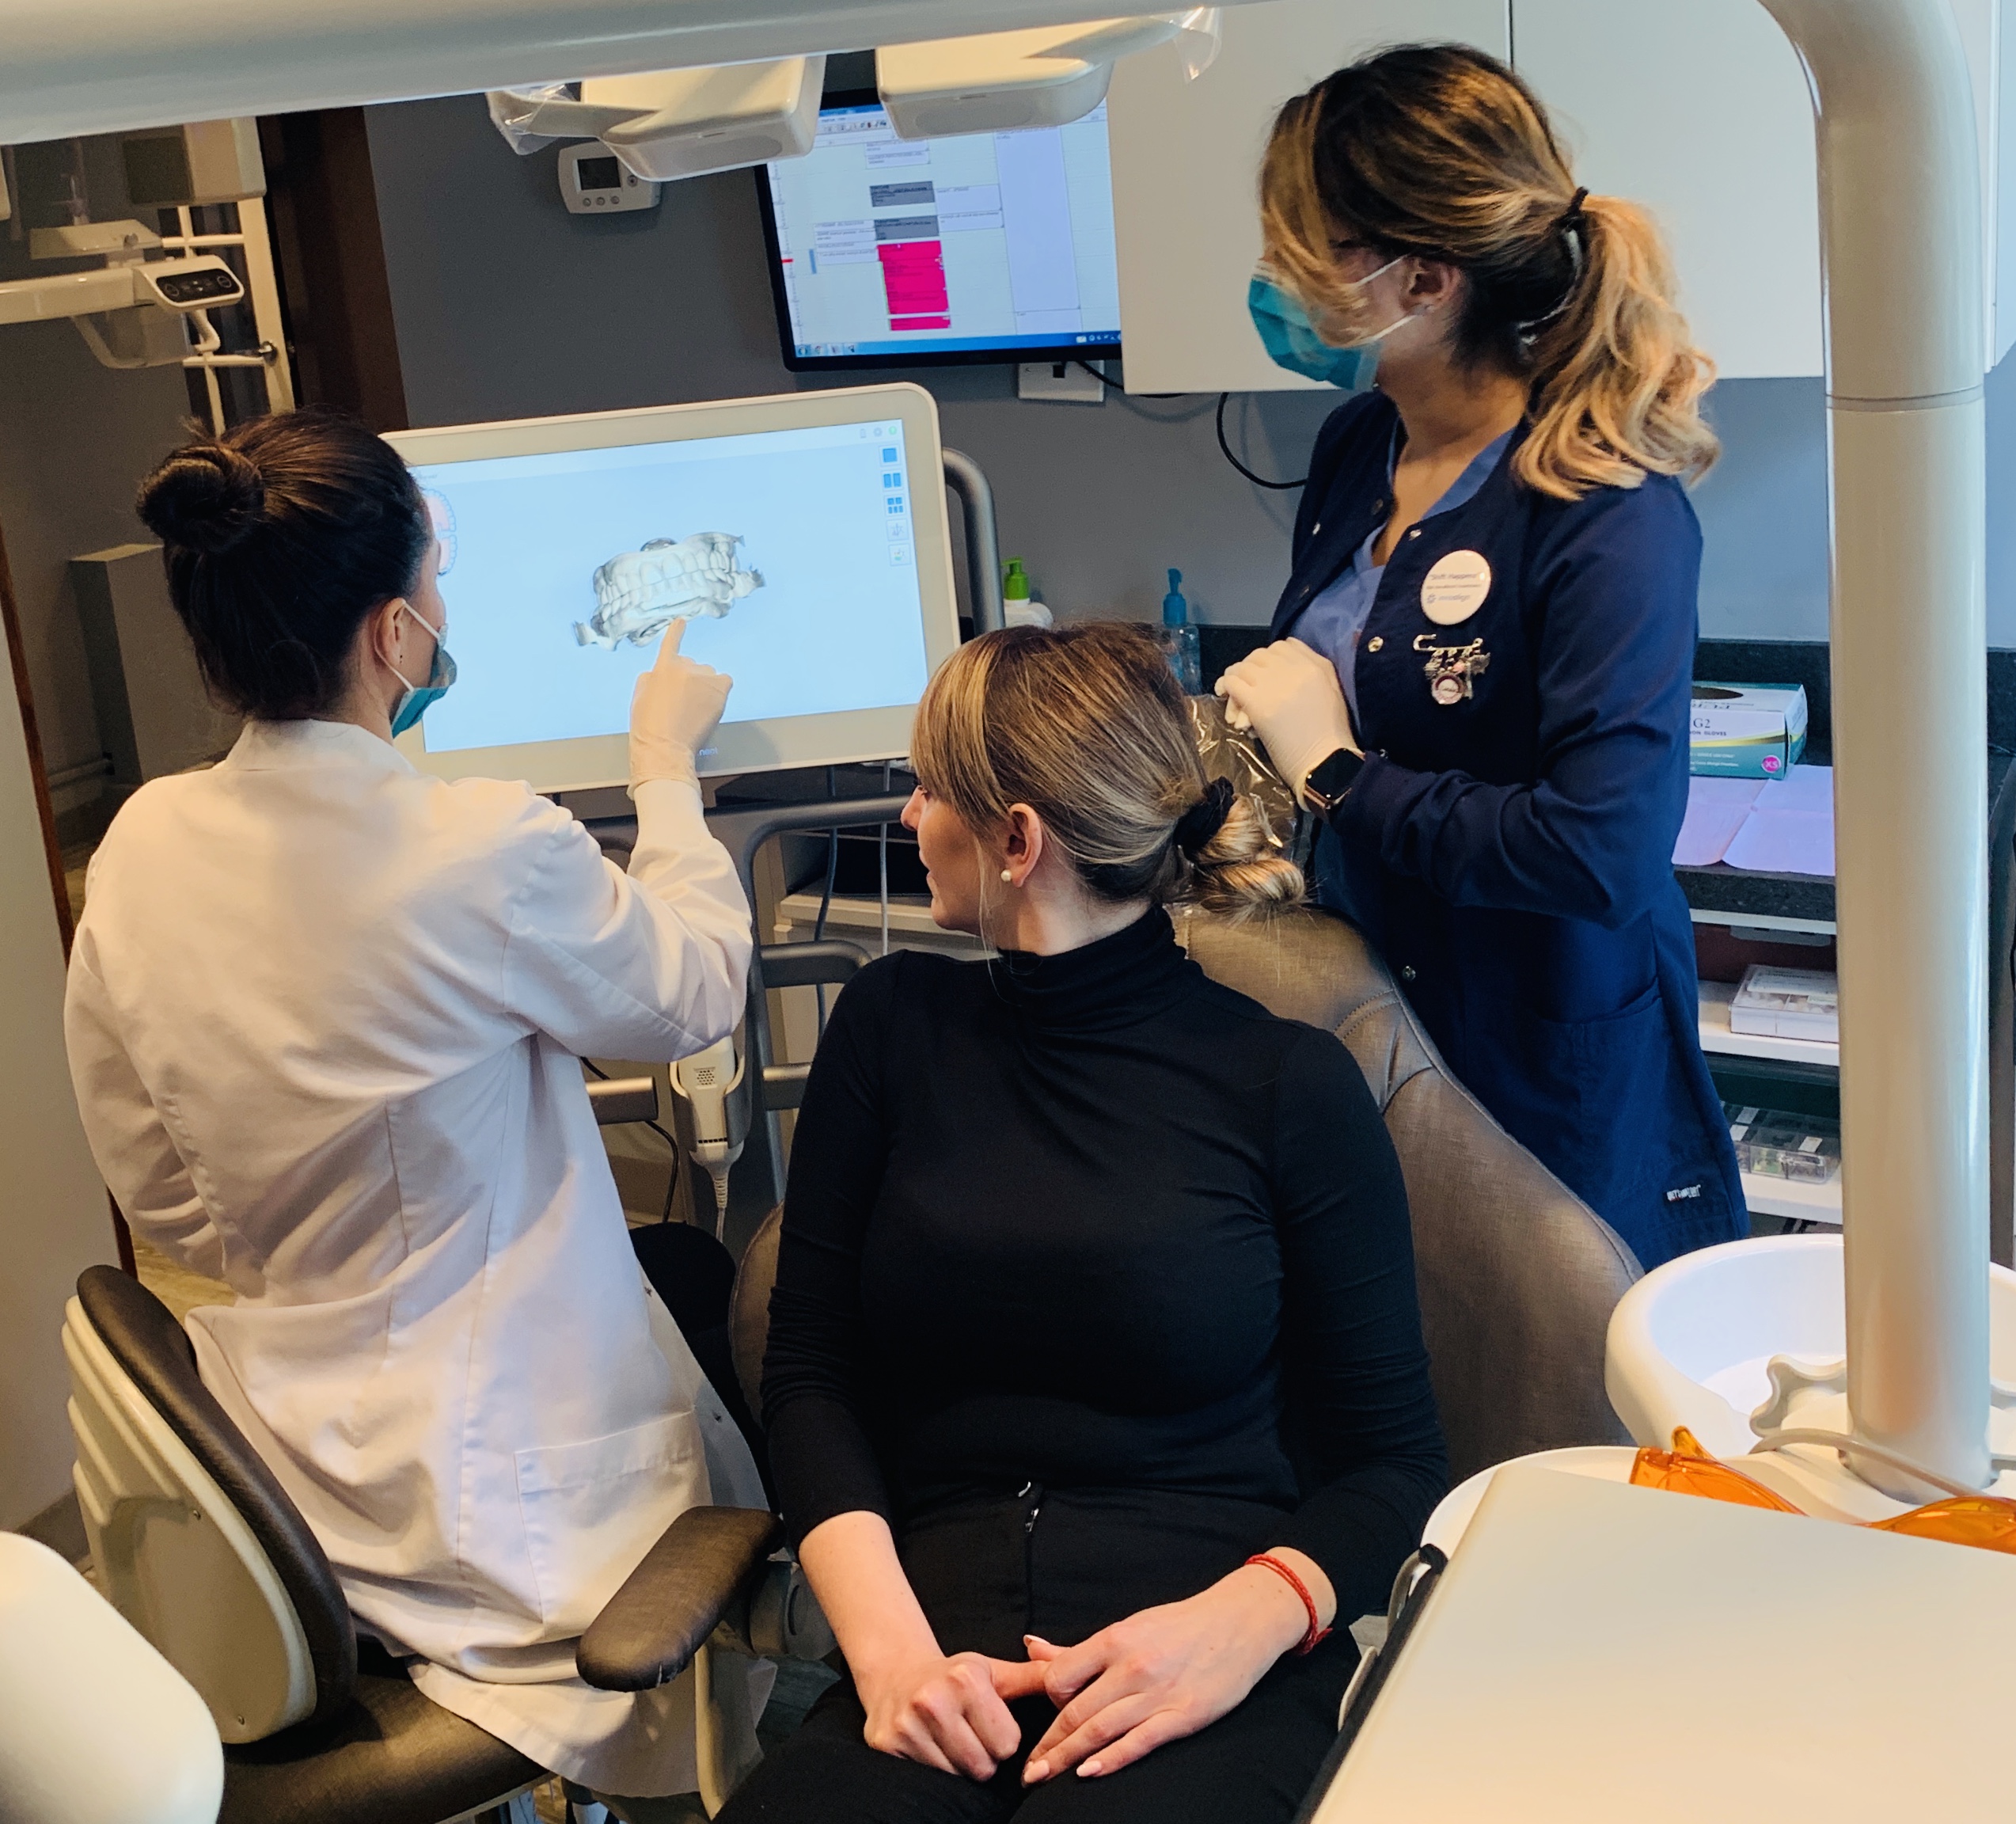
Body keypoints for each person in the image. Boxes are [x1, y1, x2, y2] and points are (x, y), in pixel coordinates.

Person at [63, 408, 764, 1811]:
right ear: (394, 633)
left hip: (284, 1496)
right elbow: (693, 994)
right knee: (738, 1314)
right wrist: (665, 770)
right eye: (438, 580)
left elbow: (161, 1196)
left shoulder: (138, 846)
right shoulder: (483, 843)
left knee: (680, 1275)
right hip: (505, 1528)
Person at [721, 625, 1446, 1824]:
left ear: (1017, 842)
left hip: (1203, 1659)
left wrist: (1240, 1625)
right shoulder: (892, 1027)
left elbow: (1397, 1465)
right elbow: (811, 1371)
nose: (908, 817)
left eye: (928, 788)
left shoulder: (1286, 1086)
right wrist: (890, 1659)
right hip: (931, 1652)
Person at [1218, 44, 1745, 1271]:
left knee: (1550, 1350)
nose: (1275, 282)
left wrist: (1338, 773)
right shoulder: (1360, 445)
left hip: (1543, 1051)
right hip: (1374, 1010)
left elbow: (1600, 854)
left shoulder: (1606, 505)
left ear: (1425, 277)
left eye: (1304, 252)